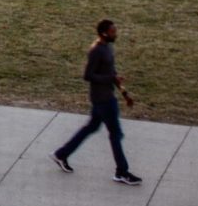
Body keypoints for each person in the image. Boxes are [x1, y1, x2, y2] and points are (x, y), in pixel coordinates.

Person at [50, 19, 142, 185]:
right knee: (115, 134)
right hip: (103, 99)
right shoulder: (96, 51)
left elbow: (112, 72)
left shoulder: (107, 47)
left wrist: (124, 93)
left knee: (91, 128)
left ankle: (61, 154)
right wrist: (110, 78)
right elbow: (88, 75)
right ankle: (122, 172)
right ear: (104, 33)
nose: (116, 34)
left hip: (106, 97)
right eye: (113, 31)